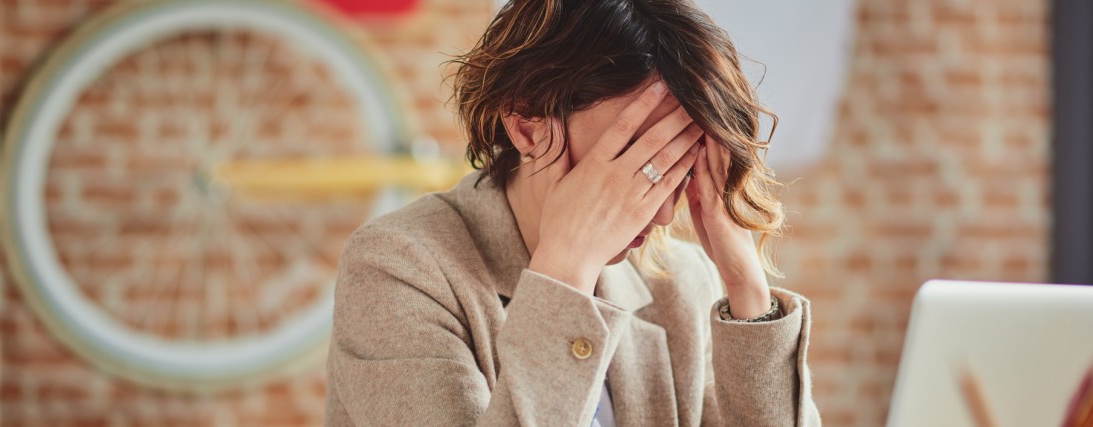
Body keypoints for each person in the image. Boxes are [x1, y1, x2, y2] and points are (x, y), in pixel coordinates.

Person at [324, 0, 820, 425]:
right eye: (636, 159)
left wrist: (747, 289)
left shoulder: (682, 284)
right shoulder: (396, 270)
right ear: (526, 127)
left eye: (680, 165)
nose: (664, 213)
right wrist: (564, 274)